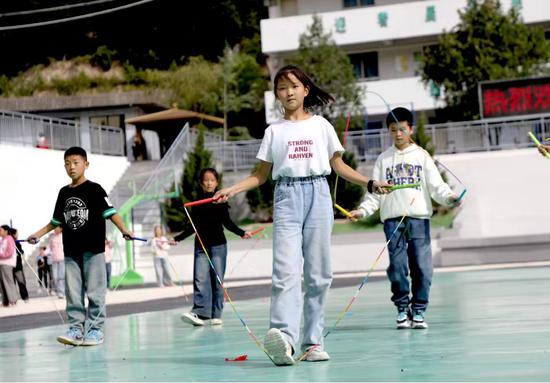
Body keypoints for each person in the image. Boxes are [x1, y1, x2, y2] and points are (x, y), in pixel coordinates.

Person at [213, 65, 391, 365]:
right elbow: (260, 175)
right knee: (285, 272)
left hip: (319, 193)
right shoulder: (274, 132)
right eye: (282, 88)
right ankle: (283, 338)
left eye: (294, 86)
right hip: (286, 197)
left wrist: (370, 183)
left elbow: (339, 166)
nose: (289, 92)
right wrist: (233, 189)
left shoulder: (321, 126)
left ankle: (312, 342)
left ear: (305, 90)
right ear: (277, 95)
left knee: (319, 274)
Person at [349, 107, 461, 330]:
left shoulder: (421, 156)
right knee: (398, 268)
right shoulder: (383, 159)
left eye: (402, 129)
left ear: (410, 129)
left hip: (418, 220)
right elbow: (374, 195)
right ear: (388, 132)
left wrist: (450, 197)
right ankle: (402, 308)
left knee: (422, 267)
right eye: (393, 130)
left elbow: (436, 186)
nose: (398, 134)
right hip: (393, 222)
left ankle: (418, 310)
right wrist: (362, 211)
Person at [27, 146, 133, 347]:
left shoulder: (95, 189)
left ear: (86, 164)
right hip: (71, 251)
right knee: (73, 292)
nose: (71, 167)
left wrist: (124, 229)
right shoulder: (63, 192)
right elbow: (56, 221)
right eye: (67, 164)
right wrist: (37, 235)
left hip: (93, 250)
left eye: (75, 163)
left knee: (95, 291)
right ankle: (75, 329)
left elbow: (111, 212)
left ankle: (95, 330)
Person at [175, 168, 251, 327]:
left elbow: (227, 222)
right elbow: (193, 226)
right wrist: (178, 238)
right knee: (200, 280)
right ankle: (201, 313)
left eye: (212, 180)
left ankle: (216, 314)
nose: (209, 183)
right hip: (201, 246)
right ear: (201, 183)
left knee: (217, 280)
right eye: (206, 180)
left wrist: (241, 232)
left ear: (217, 182)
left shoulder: (221, 200)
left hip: (218, 246)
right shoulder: (196, 203)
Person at [9, 228, 29, 302]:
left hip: (18, 267)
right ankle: (13, 299)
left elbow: (21, 251)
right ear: (13, 234)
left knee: (21, 283)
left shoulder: (17, 243)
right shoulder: (10, 243)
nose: (18, 235)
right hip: (12, 267)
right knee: (12, 283)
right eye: (17, 233)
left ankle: (25, 297)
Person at [0, 225, 18, 306]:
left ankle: (12, 300)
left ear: (6, 231)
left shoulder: (9, 239)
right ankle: (5, 301)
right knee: (2, 283)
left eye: (1, 230)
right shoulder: (2, 240)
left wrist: (1, 255)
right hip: (2, 263)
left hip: (7, 263)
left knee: (8, 281)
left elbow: (9, 252)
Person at [49, 227, 65, 298]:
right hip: (54, 260)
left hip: (62, 259)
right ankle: (58, 290)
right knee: (55, 277)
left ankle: (61, 292)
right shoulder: (52, 238)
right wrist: (44, 253)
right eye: (54, 229)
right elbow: (50, 248)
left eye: (56, 228)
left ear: (61, 229)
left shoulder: (64, 236)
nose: (55, 230)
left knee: (61, 277)